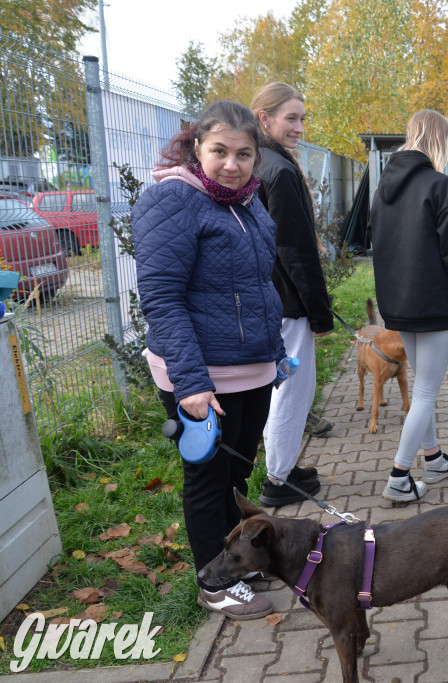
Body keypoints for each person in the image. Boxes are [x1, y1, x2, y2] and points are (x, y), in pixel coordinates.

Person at [133, 100, 284, 620]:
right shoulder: (172, 200)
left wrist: (276, 353)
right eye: (219, 151)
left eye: (244, 154)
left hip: (251, 370)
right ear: (197, 147)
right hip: (201, 375)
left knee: (236, 477)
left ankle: (235, 563)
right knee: (207, 481)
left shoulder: (249, 202)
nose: (231, 165)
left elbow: (258, 286)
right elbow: (162, 298)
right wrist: (191, 383)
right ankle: (212, 584)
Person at [370, 110, 448, 503]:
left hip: (400, 306)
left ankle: (434, 459)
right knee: (425, 392)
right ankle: (399, 477)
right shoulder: (443, 187)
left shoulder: (383, 190)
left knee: (423, 386)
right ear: (439, 140)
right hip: (434, 307)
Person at [250, 82, 333, 506]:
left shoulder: (258, 161)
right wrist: (320, 312)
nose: (299, 127)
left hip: (266, 297)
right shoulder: (279, 171)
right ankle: (278, 481)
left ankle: (279, 465)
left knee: (276, 386)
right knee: (292, 389)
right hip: (287, 301)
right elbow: (296, 251)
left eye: (302, 118)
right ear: (264, 118)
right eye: (291, 118)